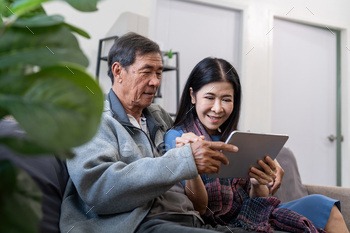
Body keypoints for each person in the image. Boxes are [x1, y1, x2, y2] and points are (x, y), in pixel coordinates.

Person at [59, 32, 290, 233]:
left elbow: (196, 148)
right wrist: (184, 159)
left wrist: (258, 160)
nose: (155, 82)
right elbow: (99, 191)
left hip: (188, 220)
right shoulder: (92, 121)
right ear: (118, 71)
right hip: (140, 223)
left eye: (159, 73)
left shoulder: (158, 117)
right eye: (146, 72)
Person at [164, 57, 349, 233]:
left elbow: (259, 200)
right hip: (221, 223)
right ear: (193, 95)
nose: (218, 108)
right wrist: (189, 162)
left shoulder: (238, 139)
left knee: (324, 206)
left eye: (226, 99)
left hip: (254, 214)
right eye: (210, 97)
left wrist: (257, 181)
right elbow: (200, 208)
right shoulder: (178, 138)